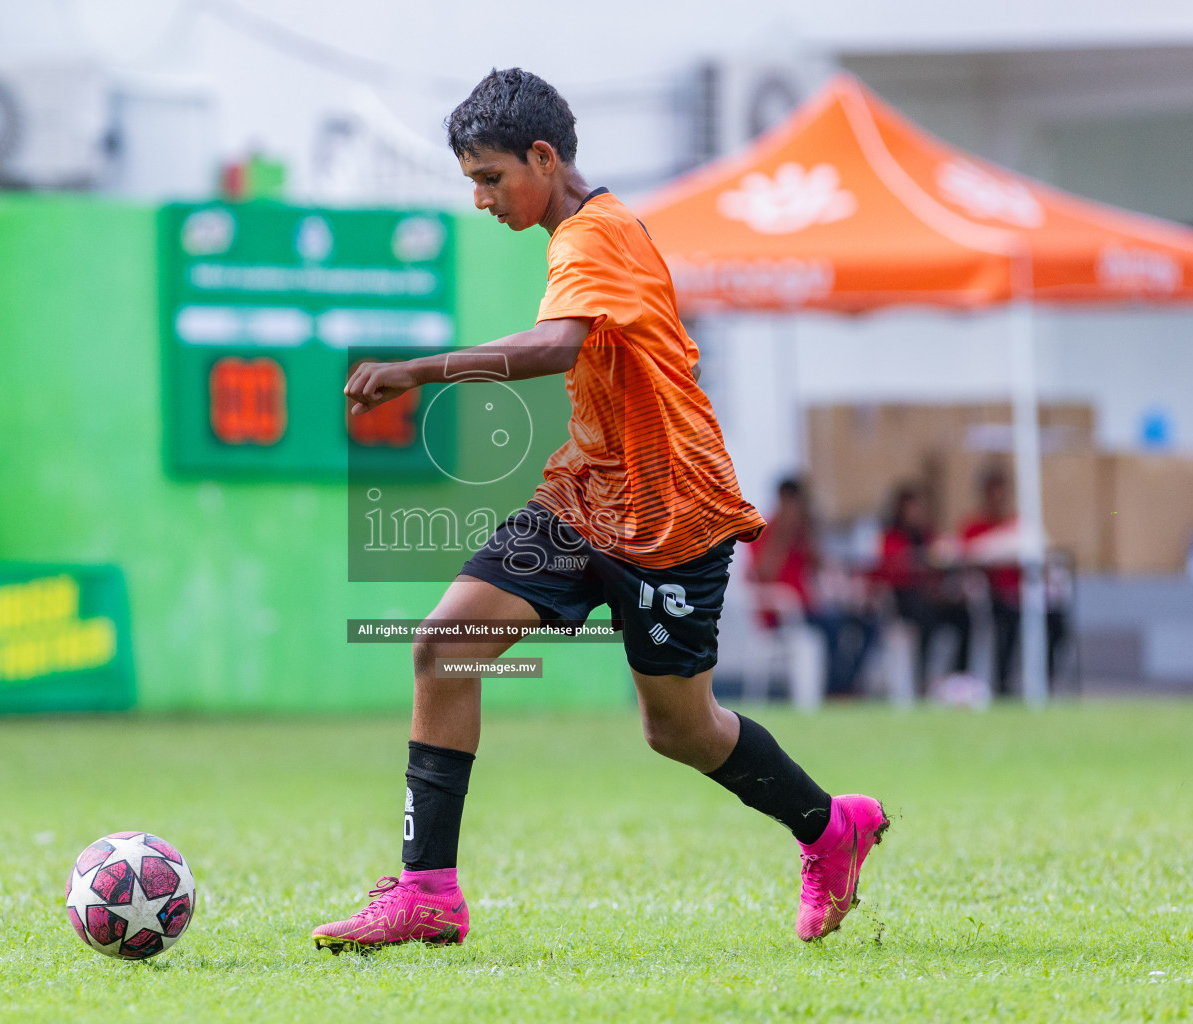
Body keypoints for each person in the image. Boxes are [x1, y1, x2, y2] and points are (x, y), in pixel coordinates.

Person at [314, 69, 887, 954]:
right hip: (585, 498)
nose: (480, 198)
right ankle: (428, 892)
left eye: (491, 177)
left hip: (669, 515)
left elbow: (555, 346)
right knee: (444, 644)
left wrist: (418, 370)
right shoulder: (582, 232)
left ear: (544, 157)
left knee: (680, 730)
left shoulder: (596, 234)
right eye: (472, 180)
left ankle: (828, 828)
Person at [748, 478, 878, 698]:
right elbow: (762, 573)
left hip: (807, 609)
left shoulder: (802, 533)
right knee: (831, 628)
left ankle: (844, 684)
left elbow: (818, 565)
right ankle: (833, 688)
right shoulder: (763, 531)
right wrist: (783, 534)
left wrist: (808, 536)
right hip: (779, 614)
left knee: (866, 623)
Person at [958, 465, 1065, 696]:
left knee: (1055, 621)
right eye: (992, 492)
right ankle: (1002, 685)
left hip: (1024, 595)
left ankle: (1046, 680)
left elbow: (1044, 555)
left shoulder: (1019, 524)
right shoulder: (974, 526)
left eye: (1002, 491)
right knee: (1004, 623)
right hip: (994, 597)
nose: (998, 497)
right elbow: (967, 557)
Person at [879, 483, 970, 696]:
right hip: (905, 599)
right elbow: (893, 569)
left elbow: (943, 561)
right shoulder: (892, 537)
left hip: (933, 596)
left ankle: (958, 679)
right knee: (924, 618)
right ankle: (922, 682)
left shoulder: (930, 535)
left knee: (963, 616)